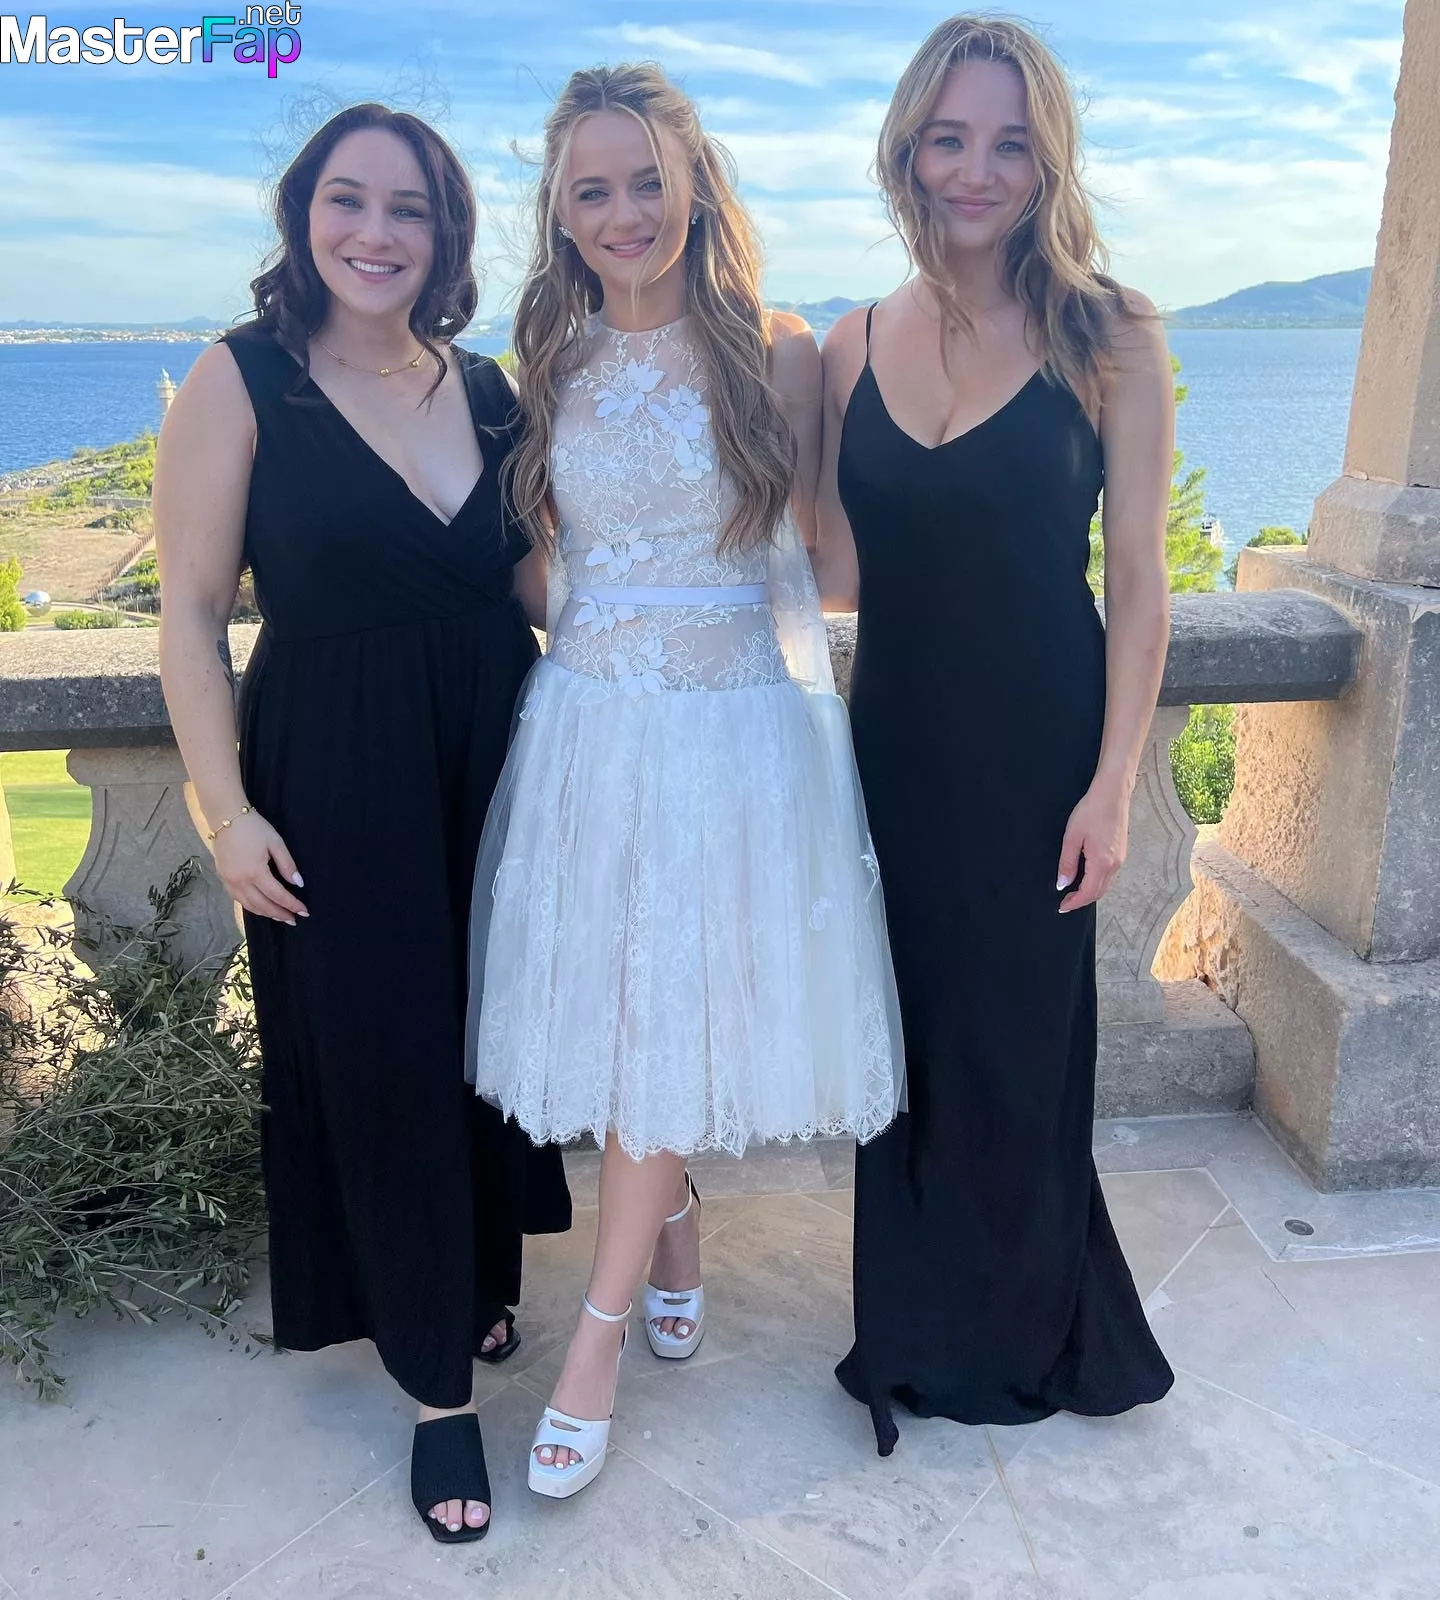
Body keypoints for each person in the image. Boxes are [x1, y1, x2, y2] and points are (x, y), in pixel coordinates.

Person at [465, 63, 903, 1499]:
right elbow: (541, 564)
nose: (625, 212)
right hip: (592, 727)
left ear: (696, 185)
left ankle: (591, 1346)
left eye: (648, 179)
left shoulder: (781, 353)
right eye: (593, 189)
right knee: (618, 1014)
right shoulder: (551, 360)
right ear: (560, 213)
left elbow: (830, 559)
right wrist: (607, 638)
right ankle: (676, 1214)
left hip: (731, 736)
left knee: (667, 1006)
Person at [154, 102, 570, 1542]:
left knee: (492, 1039)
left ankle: (476, 1277)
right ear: (303, 214)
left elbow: (537, 589)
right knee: (382, 1054)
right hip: (334, 766)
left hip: (501, 756)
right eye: (349, 199)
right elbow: (190, 618)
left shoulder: (494, 389)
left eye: (411, 208)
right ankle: (437, 1389)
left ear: (449, 236)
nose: (376, 232)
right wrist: (226, 810)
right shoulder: (241, 379)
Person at [811, 15, 1177, 1455]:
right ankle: (908, 1329)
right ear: (908, 150)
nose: (977, 170)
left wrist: (1115, 783)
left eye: (1010, 144)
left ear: (1048, 161)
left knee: (1022, 1043)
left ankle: (1025, 1331)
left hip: (1041, 745)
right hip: (894, 742)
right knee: (902, 1038)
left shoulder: (1113, 333)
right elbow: (832, 569)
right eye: (950, 138)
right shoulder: (850, 343)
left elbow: (1139, 581)